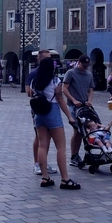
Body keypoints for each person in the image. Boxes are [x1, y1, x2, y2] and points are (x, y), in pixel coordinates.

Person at [30, 56, 80, 190]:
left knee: (42, 146)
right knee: (61, 147)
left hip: (39, 113)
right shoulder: (55, 81)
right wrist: (70, 117)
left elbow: (30, 94)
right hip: (52, 111)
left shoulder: (36, 80)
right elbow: (60, 99)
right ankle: (65, 179)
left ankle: (45, 177)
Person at [27, 50, 58, 177]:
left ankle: (43, 162)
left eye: (50, 58)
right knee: (39, 137)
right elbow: (28, 92)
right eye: (46, 58)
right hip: (39, 108)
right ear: (39, 59)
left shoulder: (52, 73)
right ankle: (37, 163)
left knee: (47, 138)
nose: (49, 61)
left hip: (49, 108)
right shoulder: (34, 73)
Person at [64, 55, 95, 167]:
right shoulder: (71, 73)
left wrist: (89, 100)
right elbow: (64, 88)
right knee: (77, 130)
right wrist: (73, 100)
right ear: (79, 62)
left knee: (84, 130)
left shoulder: (89, 75)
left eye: (87, 65)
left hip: (85, 106)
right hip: (74, 106)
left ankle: (78, 154)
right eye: (83, 65)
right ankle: (73, 156)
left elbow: (91, 90)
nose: (85, 67)